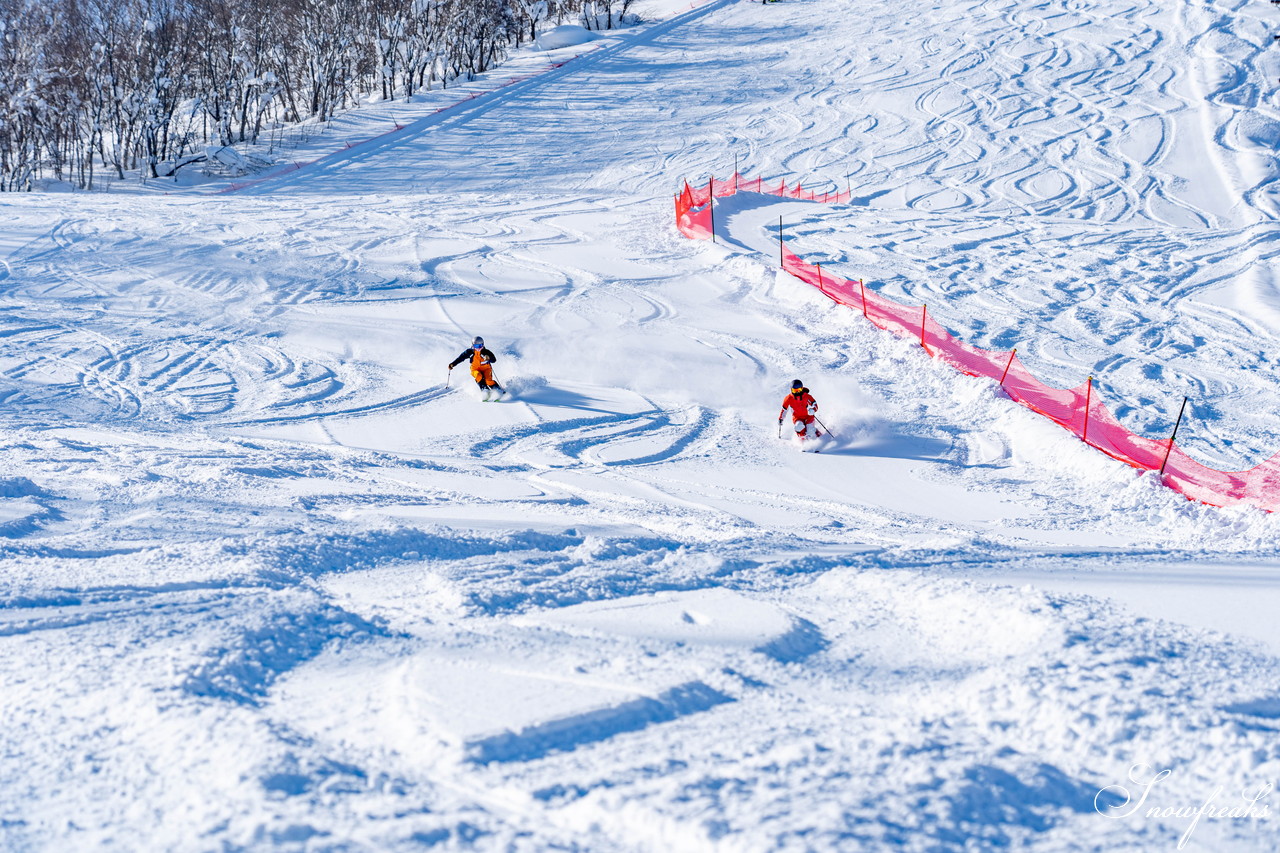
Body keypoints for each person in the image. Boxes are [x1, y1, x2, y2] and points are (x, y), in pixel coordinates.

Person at [448, 336, 504, 400]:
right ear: (473, 345)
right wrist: (453, 364)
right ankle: (485, 390)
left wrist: (489, 358)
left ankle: (498, 391)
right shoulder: (469, 352)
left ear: (483, 345)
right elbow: (460, 358)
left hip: (486, 369)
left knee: (488, 381)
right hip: (475, 369)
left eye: (480, 346)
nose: (478, 348)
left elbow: (494, 360)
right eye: (476, 346)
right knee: (478, 375)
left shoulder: (486, 352)